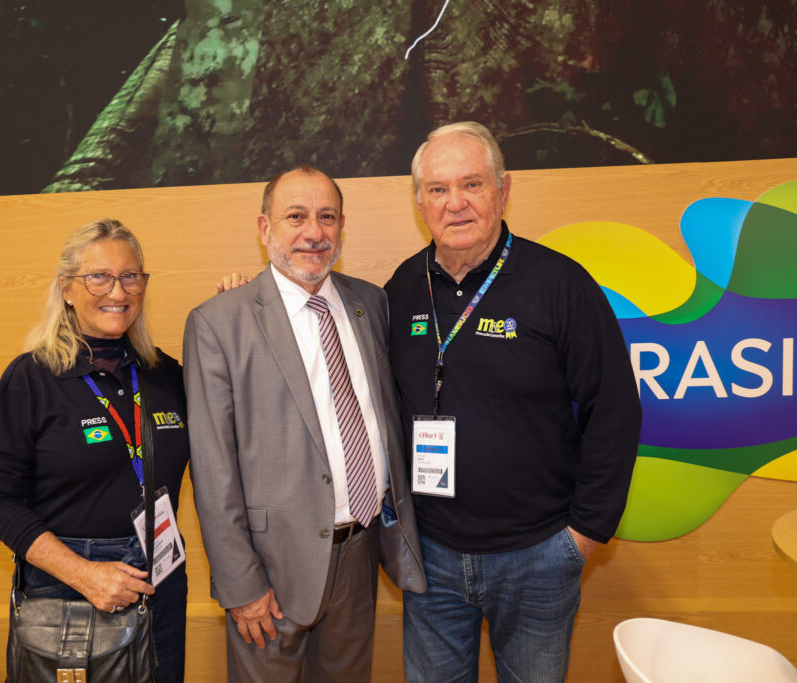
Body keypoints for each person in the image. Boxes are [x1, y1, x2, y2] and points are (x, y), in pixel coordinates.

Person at [384, 122, 642, 682]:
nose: (455, 203)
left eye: (472, 184)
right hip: (430, 557)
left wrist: (584, 535)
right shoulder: (401, 289)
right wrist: (252, 305)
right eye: (437, 189)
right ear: (419, 201)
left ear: (503, 190)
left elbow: (615, 410)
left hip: (539, 556)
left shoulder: (560, 284)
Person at [183, 166, 425, 682]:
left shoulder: (371, 303)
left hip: (359, 554)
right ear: (265, 228)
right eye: (296, 217)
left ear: (341, 227)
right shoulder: (219, 322)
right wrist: (240, 584)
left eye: (327, 217)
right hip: (271, 570)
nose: (313, 233)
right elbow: (212, 469)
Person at [0, 219, 189, 682]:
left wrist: (244, 304)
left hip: (163, 572)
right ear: (67, 289)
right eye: (99, 276)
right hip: (69, 587)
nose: (118, 290)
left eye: (131, 276)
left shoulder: (165, 374)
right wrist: (83, 573)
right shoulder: (31, 379)